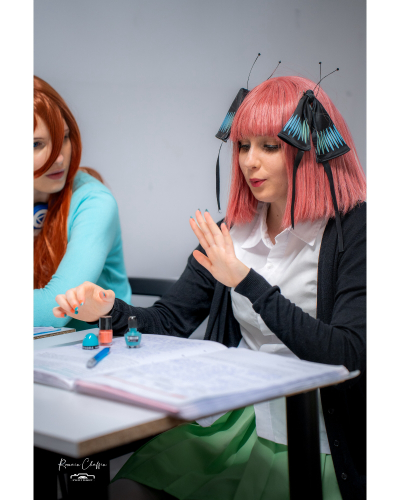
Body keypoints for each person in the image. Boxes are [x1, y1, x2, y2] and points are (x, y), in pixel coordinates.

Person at [53, 76, 366, 500]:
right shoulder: (230, 232)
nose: (249, 162)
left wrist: (246, 281)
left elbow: (349, 354)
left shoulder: (356, 229)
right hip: (236, 417)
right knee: (125, 490)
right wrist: (107, 309)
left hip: (320, 433)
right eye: (243, 146)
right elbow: (169, 319)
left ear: (309, 150)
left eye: (269, 146)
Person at [34, 76, 131, 330]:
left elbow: (52, 310)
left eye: (64, 138)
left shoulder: (95, 202)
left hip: (94, 345)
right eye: (36, 144)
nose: (58, 158)